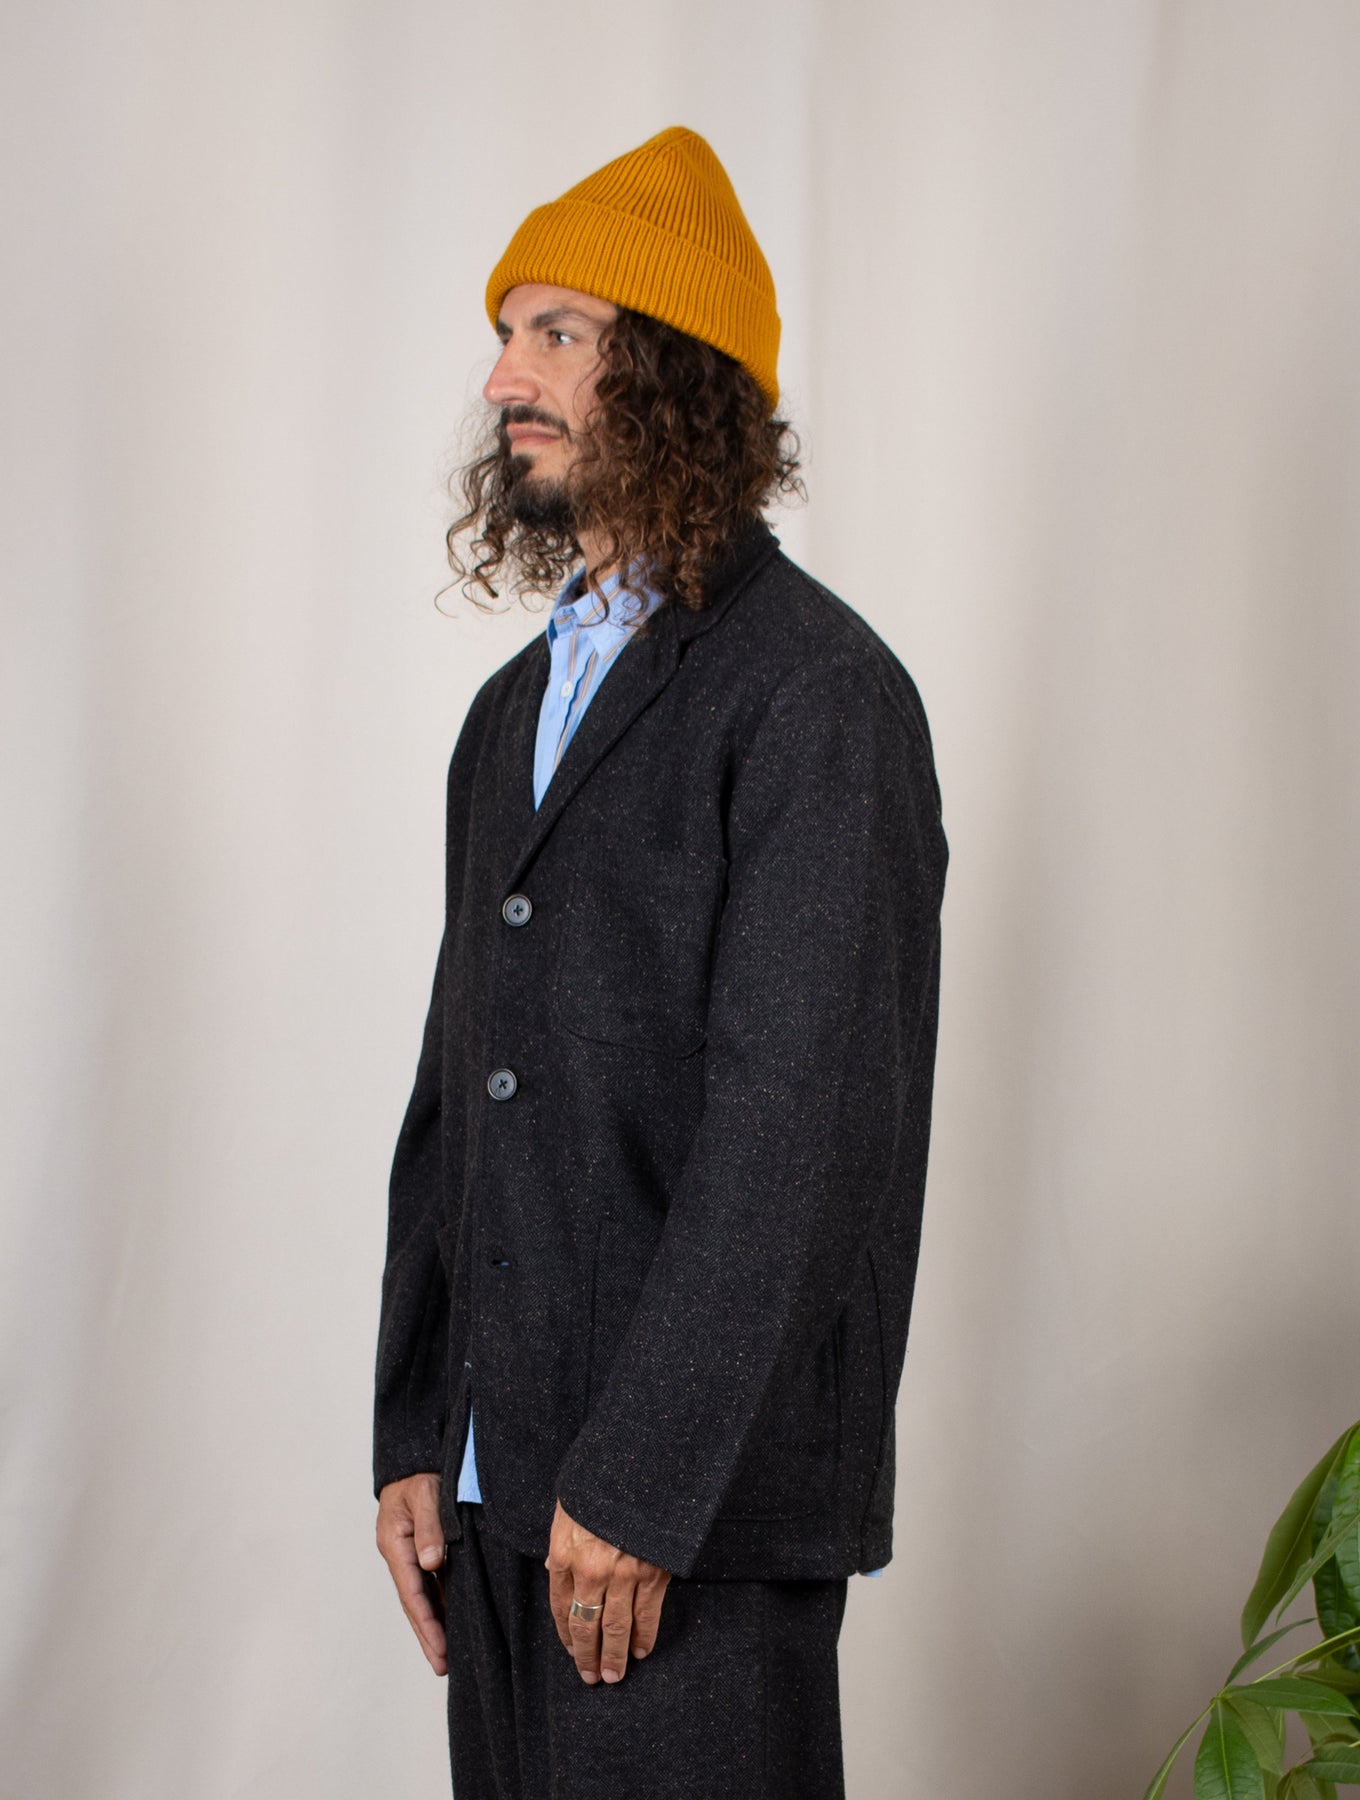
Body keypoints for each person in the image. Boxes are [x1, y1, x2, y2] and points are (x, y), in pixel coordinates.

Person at [374, 125, 947, 1800]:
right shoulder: (509, 715)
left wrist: (644, 1476)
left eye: (558, 332)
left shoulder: (817, 696)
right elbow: (457, 1086)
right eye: (508, 333)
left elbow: (803, 1131)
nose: (505, 377)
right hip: (498, 1483)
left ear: (681, 372)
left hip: (685, 1515)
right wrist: (415, 1423)